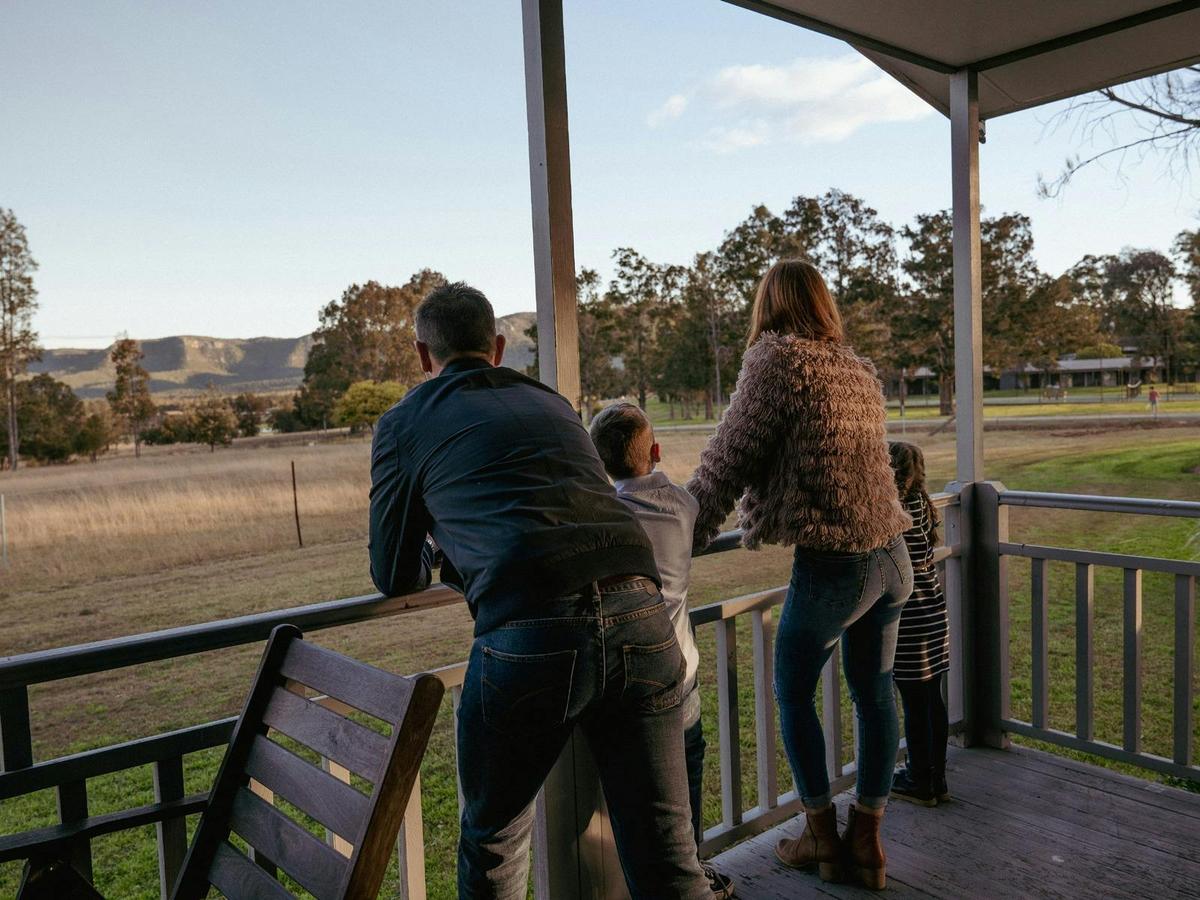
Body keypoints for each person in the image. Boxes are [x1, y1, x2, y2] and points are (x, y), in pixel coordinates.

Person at [369, 282, 708, 900]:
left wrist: (444, 549)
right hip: (645, 611)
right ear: (497, 347)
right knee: (667, 856)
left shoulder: (404, 422)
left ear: (423, 356)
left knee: (495, 839)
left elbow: (391, 572)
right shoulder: (552, 404)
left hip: (530, 630)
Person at [686, 259, 913, 891]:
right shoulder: (856, 370)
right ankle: (866, 844)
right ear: (822, 304)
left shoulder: (777, 361)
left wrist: (678, 537)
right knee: (873, 692)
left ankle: (819, 833)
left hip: (838, 562)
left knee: (790, 690)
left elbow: (726, 460)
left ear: (769, 305)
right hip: (893, 557)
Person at [589, 402, 736, 900]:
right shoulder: (684, 506)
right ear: (655, 450)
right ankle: (694, 869)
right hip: (683, 663)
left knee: (644, 798)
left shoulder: (604, 514)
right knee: (688, 766)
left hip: (636, 669)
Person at [887, 442, 951, 807]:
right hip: (933, 611)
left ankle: (918, 779)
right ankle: (937, 776)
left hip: (909, 617)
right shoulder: (923, 506)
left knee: (913, 701)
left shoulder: (893, 513)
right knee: (932, 698)